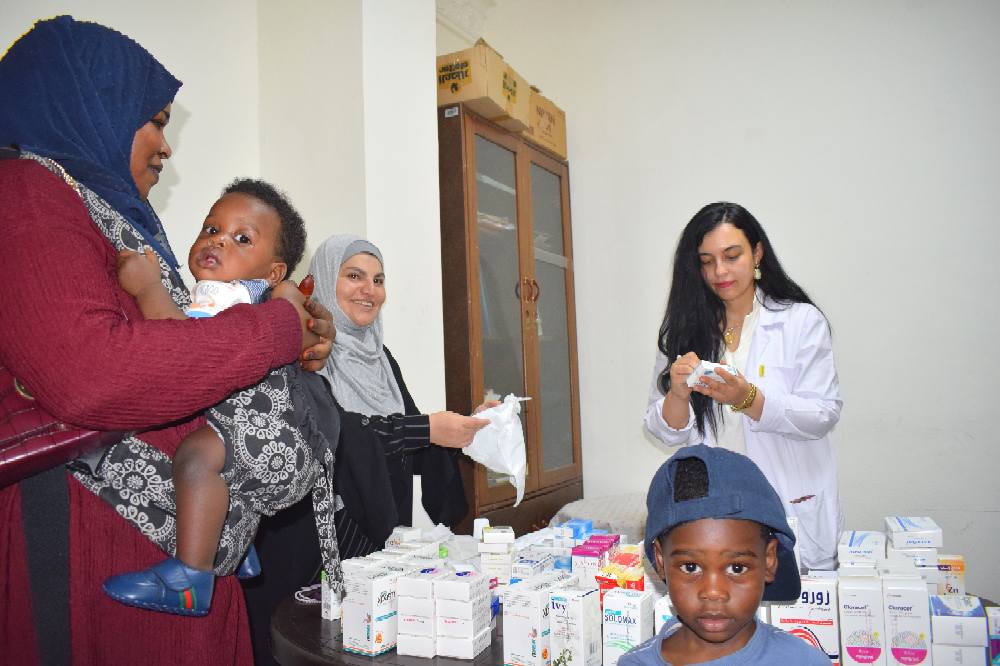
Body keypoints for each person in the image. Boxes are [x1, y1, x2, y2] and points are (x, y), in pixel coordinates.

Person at [0, 16, 332, 664]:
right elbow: (91, 375)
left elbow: (189, 353)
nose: (165, 147)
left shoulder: (97, 210)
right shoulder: (26, 197)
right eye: (153, 121)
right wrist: (273, 329)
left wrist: (291, 345)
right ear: (89, 103)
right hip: (94, 563)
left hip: (157, 555)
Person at [242, 234, 492, 665]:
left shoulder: (381, 358)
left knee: (365, 647)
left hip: (372, 544)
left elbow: (405, 437)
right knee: (312, 647)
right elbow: (334, 434)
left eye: (378, 280)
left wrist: (466, 427)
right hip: (312, 540)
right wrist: (426, 428)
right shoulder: (305, 350)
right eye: (354, 276)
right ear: (324, 279)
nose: (369, 290)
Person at [102, 178, 341, 617]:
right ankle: (230, 542)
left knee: (195, 460)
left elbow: (182, 348)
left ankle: (191, 578)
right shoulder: (235, 293)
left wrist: (148, 288)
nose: (218, 241)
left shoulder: (225, 298)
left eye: (242, 238)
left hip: (270, 438)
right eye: (212, 229)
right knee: (202, 455)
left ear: (272, 272)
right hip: (268, 435)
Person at [644, 202, 842, 570]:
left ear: (757, 253)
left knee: (789, 597)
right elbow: (665, 431)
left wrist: (747, 398)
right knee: (721, 598)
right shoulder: (685, 331)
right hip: (715, 509)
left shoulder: (801, 322)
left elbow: (822, 414)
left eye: (731, 256)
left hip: (786, 501)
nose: (719, 271)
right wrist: (678, 394)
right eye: (706, 261)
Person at [620, 445, 829, 666]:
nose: (713, 592)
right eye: (690, 567)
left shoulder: (804, 661)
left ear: (768, 561)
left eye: (737, 568)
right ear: (661, 561)